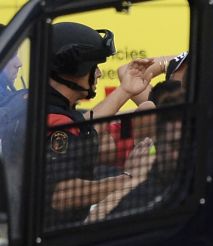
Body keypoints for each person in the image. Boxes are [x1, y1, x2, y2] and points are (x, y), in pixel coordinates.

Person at [45, 22, 155, 225]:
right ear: (75, 67)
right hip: (58, 240)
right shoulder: (55, 121)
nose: (99, 74)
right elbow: (61, 195)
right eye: (94, 67)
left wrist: (125, 90)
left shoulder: (50, 110)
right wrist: (129, 179)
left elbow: (83, 129)